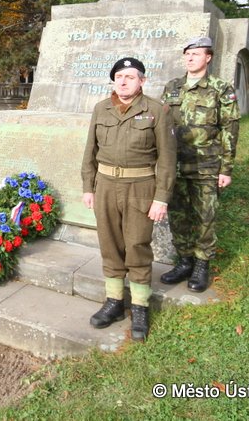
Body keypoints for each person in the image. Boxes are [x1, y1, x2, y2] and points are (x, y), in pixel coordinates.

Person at [81, 57, 176, 341]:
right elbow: (89, 151)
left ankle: (140, 307)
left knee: (137, 246)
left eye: (130, 77)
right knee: (110, 245)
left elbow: (167, 159)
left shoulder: (156, 110)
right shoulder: (101, 109)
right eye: (119, 77)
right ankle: (114, 302)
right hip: (106, 186)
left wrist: (161, 198)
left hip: (140, 187)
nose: (123, 82)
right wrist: (88, 187)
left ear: (142, 81)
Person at [160, 36, 241, 292]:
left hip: (206, 165)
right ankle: (184, 261)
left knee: (206, 216)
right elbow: (161, 126)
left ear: (208, 57)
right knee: (178, 215)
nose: (190, 58)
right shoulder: (172, 87)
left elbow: (230, 129)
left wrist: (226, 168)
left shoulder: (220, 88)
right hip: (175, 165)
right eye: (187, 54)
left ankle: (202, 264)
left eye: (196, 54)